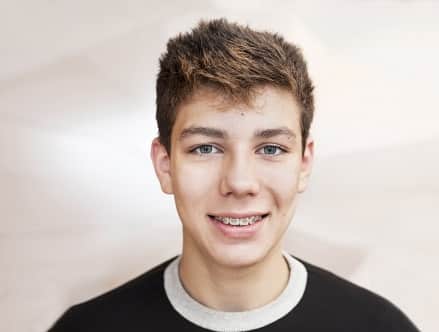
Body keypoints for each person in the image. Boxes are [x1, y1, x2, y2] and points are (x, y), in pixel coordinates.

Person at [49, 18, 419, 331]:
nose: (240, 182)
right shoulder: (85, 328)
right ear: (165, 165)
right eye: (206, 148)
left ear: (304, 164)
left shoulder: (380, 327)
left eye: (271, 149)